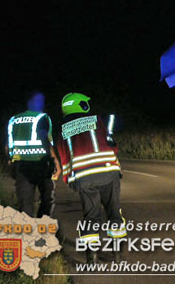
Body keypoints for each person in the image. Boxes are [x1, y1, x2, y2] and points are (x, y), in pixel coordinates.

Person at [55, 92, 125, 263]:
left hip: (83, 177)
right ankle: (116, 255)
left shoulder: (63, 130)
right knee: (113, 212)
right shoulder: (97, 119)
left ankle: (91, 258)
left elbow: (62, 156)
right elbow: (112, 135)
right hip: (108, 172)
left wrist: (69, 179)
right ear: (80, 105)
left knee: (91, 216)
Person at [6, 91, 62, 218]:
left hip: (21, 166)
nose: (41, 103)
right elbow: (45, 140)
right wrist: (56, 161)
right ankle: (43, 227)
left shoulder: (13, 120)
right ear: (29, 102)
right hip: (42, 163)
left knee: (25, 203)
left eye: (42, 101)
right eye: (38, 100)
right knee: (48, 199)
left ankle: (29, 234)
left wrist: (10, 163)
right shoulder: (42, 118)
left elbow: (9, 144)